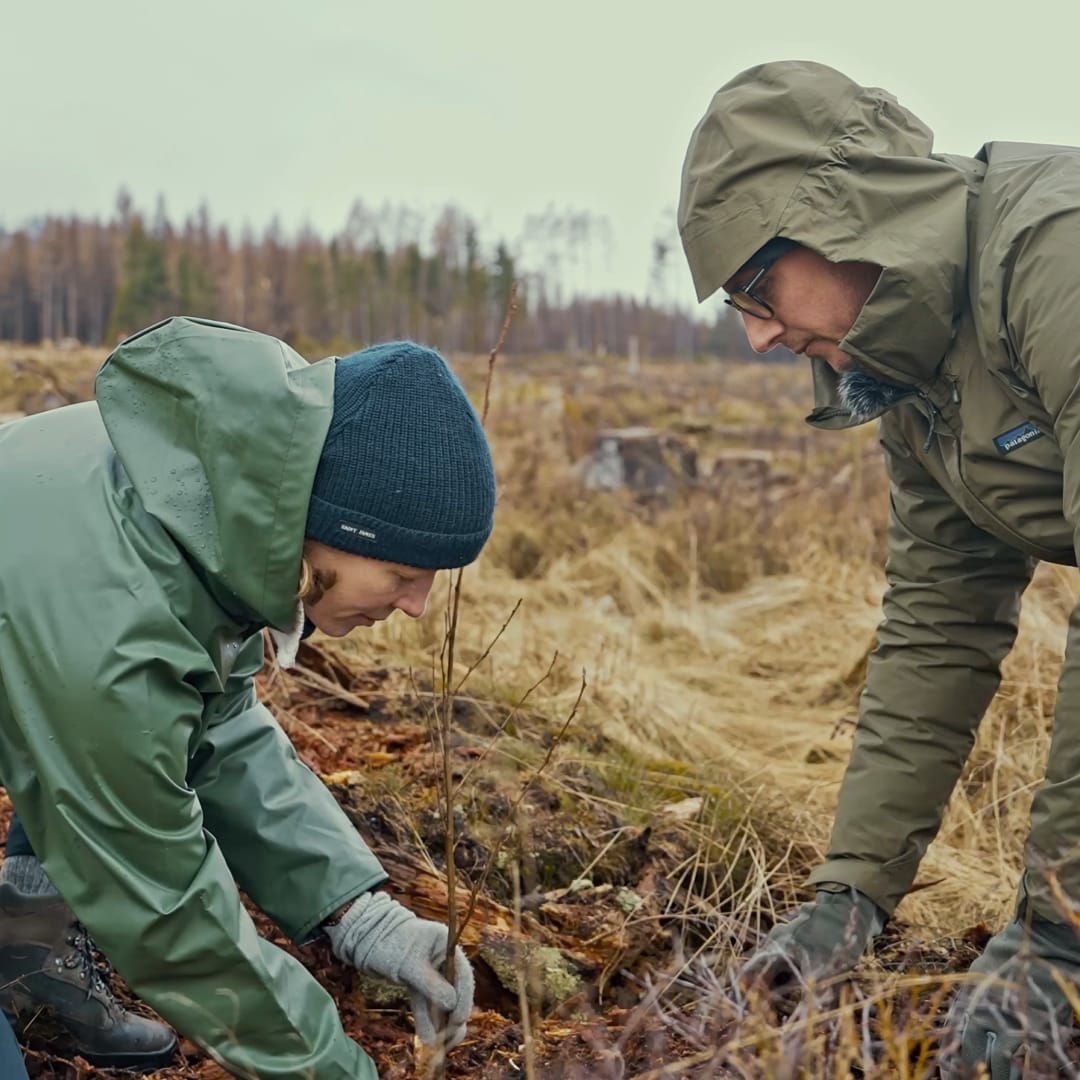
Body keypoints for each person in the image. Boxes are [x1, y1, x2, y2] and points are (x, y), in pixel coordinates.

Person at [679, 60, 1080, 1078]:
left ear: (847, 215)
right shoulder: (910, 380)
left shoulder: (1054, 258)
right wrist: (850, 895)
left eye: (757, 289)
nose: (762, 335)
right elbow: (939, 627)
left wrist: (1057, 933)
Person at [0, 316, 495, 1078]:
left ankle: (24, 954)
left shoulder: (212, 507)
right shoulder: (113, 627)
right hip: (65, 648)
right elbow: (162, 906)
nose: (418, 605)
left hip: (54, 655)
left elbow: (217, 731)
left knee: (99, 750)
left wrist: (359, 914)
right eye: (403, 572)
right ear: (332, 524)